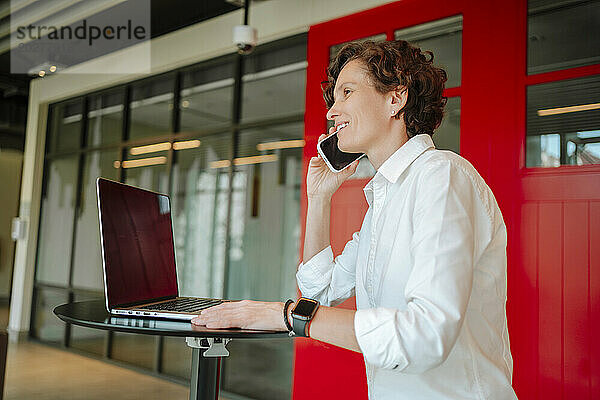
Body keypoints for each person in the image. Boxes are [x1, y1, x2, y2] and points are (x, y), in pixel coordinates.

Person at [192, 39, 518, 399]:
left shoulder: (440, 175)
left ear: (396, 99)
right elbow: (319, 293)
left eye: (346, 92)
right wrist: (319, 199)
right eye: (333, 98)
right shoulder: (385, 199)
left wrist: (282, 315)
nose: (332, 112)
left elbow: (425, 336)